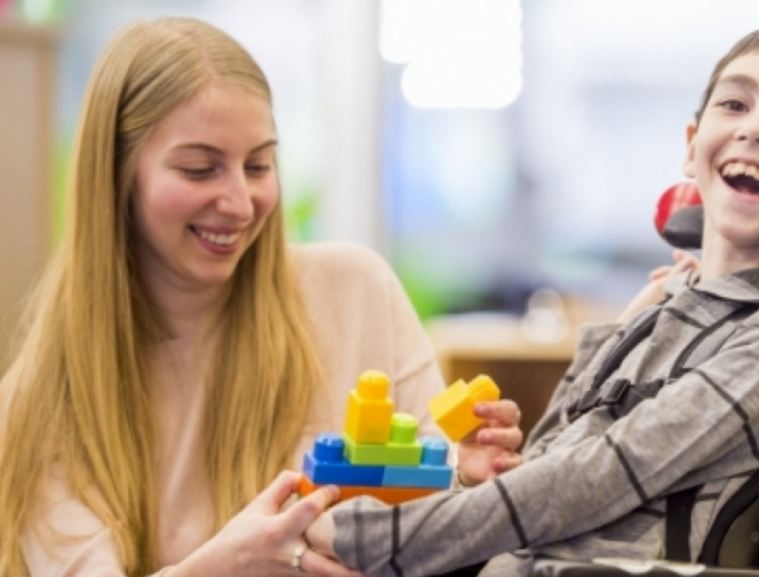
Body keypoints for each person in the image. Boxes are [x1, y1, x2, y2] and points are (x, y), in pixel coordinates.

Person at [305, 25, 759, 576]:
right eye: (735, 103)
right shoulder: (682, 305)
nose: (756, 128)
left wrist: (370, 539)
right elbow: (546, 459)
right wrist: (625, 328)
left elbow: (593, 479)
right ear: (693, 142)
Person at [0, 17, 521, 577]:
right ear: (118, 176)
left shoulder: (358, 291)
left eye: (258, 166)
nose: (241, 204)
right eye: (200, 169)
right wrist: (223, 566)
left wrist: (469, 480)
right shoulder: (42, 401)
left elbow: (431, 523)